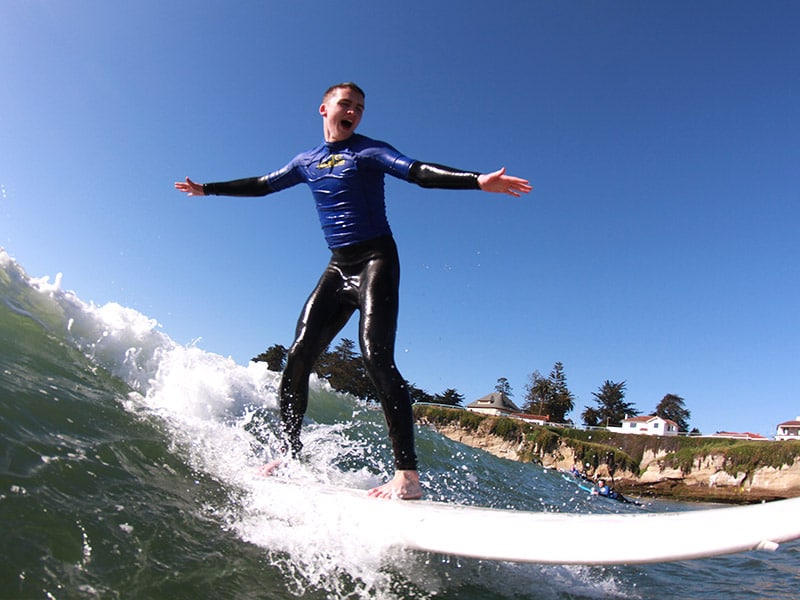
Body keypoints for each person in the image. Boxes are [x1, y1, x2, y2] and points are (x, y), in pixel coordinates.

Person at [175, 82, 532, 500]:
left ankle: (407, 476)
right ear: (324, 108)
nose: (353, 113)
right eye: (346, 105)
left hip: (376, 260)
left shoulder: (369, 151)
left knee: (375, 356)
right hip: (337, 265)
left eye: (359, 108)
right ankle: (289, 453)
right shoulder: (305, 161)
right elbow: (262, 184)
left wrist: (476, 181)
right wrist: (208, 188)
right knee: (299, 354)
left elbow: (416, 171)